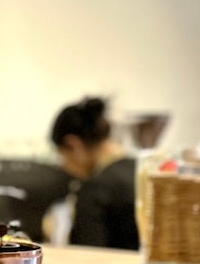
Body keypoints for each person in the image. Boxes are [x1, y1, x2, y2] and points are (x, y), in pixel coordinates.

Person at [50, 96, 138, 249]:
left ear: (73, 145)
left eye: (62, 156)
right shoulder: (141, 170)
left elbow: (83, 258)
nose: (64, 166)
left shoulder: (96, 189)